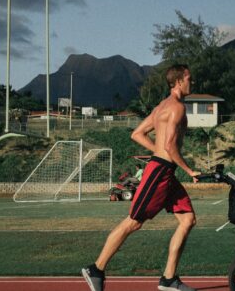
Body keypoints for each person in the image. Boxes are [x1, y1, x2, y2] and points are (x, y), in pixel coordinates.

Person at [82, 64, 201, 291]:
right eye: (188, 78)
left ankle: (169, 279)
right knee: (133, 222)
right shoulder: (177, 108)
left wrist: (160, 152)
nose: (191, 82)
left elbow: (137, 134)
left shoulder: (161, 107)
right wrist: (189, 170)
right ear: (177, 81)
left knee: (187, 220)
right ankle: (96, 268)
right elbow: (169, 146)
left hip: (165, 171)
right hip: (159, 172)